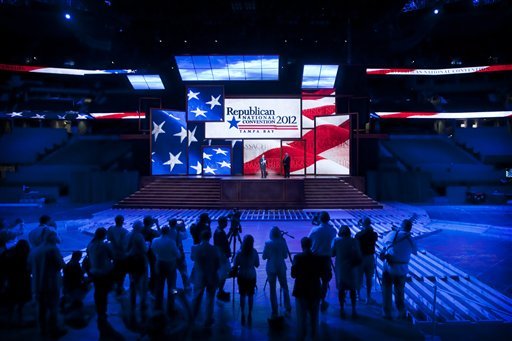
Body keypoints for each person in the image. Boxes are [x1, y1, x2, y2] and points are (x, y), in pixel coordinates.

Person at [29, 229, 67, 338]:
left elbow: (29, 267)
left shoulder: (34, 250)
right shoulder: (52, 249)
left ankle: (42, 331)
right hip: (51, 284)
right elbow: (61, 265)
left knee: (41, 309)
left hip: (37, 284)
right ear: (52, 237)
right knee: (53, 308)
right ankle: (54, 331)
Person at [291, 237, 330, 340]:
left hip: (301, 290)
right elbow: (324, 276)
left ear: (302, 245)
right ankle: (314, 336)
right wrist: (323, 290)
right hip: (315, 290)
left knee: (301, 318)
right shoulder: (318, 258)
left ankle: (302, 337)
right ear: (311, 244)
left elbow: (293, 275)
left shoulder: (297, 258)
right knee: (314, 318)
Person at [381, 219, 418, 320]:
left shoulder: (392, 234)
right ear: (410, 228)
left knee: (386, 291)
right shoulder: (411, 239)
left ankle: (386, 313)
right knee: (399, 292)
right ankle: (400, 313)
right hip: (402, 269)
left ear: (401, 226)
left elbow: (383, 242)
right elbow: (415, 251)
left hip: (388, 267)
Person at [308, 211, 337, 312]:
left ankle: (314, 300)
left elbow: (308, 240)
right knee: (325, 281)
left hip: (315, 258)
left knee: (314, 279)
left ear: (320, 219)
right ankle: (322, 300)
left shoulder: (314, 230)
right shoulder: (333, 230)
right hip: (326, 259)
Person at [191, 230, 220, 328]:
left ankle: (192, 317)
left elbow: (192, 258)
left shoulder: (195, 248)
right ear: (210, 237)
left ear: (200, 237)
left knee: (196, 298)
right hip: (211, 276)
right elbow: (217, 263)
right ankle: (208, 319)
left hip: (199, 276)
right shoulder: (214, 249)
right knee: (210, 299)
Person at [332, 225, 362, 319]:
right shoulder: (355, 241)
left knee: (341, 290)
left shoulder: (336, 241)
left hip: (341, 269)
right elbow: (359, 255)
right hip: (352, 269)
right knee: (352, 289)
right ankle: (353, 310)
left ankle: (342, 309)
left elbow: (332, 253)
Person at [86, 227, 114, 330]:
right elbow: (112, 256)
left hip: (94, 271)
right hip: (104, 272)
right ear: (103, 235)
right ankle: (103, 312)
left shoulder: (90, 244)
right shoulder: (104, 245)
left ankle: (99, 311)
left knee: (98, 292)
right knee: (104, 292)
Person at [262, 226, 291, 319]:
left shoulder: (268, 243)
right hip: (281, 267)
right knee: (285, 287)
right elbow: (285, 256)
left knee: (272, 290)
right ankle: (288, 306)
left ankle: (274, 310)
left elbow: (264, 257)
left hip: (270, 268)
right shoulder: (282, 242)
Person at [151, 225, 180, 316]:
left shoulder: (155, 240)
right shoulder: (171, 242)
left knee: (159, 285)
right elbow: (177, 254)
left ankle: (158, 305)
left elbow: (153, 250)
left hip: (159, 263)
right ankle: (171, 306)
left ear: (161, 231)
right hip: (170, 264)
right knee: (172, 286)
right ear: (168, 232)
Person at [125, 220, 148, 324]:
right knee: (142, 282)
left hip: (129, 260)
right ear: (139, 227)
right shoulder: (139, 236)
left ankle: (132, 301)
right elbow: (144, 249)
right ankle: (142, 302)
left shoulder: (128, 234)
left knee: (132, 280)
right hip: (138, 260)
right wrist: (148, 244)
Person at [234, 234, 259, 326]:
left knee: (242, 295)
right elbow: (257, 264)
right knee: (251, 295)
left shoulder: (239, 252)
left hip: (242, 275)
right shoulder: (254, 252)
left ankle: (243, 313)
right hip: (251, 275)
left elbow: (235, 264)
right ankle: (250, 313)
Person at [5, 239, 31, 325]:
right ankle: (20, 318)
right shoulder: (24, 256)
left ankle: (9, 319)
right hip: (23, 281)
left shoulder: (10, 255)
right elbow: (28, 269)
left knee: (11, 301)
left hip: (12, 281)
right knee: (21, 301)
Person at [355, 217, 379, 304]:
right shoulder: (374, 234)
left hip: (360, 257)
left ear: (363, 224)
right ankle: (368, 297)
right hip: (369, 257)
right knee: (369, 278)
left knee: (359, 277)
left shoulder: (358, 235)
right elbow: (374, 239)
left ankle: (358, 296)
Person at [107, 215, 128, 296]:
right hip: (122, 254)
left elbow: (108, 239)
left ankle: (115, 286)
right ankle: (120, 287)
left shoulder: (111, 229)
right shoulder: (124, 231)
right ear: (122, 221)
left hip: (114, 253)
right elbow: (125, 244)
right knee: (122, 271)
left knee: (115, 269)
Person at [168, 218, 190, 291]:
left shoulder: (167, 232)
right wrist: (183, 227)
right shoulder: (179, 233)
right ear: (175, 224)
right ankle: (187, 287)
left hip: (171, 256)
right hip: (179, 255)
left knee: (172, 274)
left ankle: (173, 289)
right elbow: (185, 236)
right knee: (183, 271)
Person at [213, 216, 231, 301]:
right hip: (222, 256)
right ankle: (219, 291)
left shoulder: (219, 231)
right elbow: (221, 245)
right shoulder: (220, 232)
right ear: (222, 223)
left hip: (221, 255)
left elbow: (224, 241)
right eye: (226, 222)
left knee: (223, 274)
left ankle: (220, 290)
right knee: (223, 274)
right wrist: (223, 256)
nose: (227, 224)